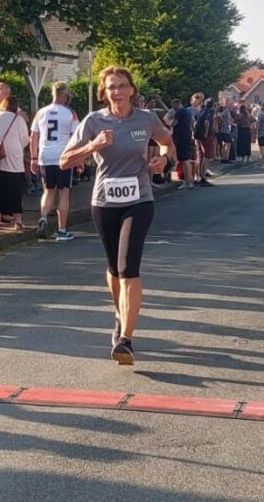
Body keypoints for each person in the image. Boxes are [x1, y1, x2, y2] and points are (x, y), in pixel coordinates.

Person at [60, 65, 173, 365]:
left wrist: (162, 161)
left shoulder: (146, 119)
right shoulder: (93, 121)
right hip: (104, 202)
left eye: (122, 86)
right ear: (104, 92)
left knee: (128, 268)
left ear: (132, 90)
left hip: (140, 199)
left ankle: (126, 339)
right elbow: (64, 161)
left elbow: (167, 142)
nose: (118, 92)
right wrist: (92, 146)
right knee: (113, 269)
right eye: (112, 87)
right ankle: (119, 315)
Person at [31, 81, 79, 241]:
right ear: (65, 96)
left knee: (48, 190)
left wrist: (33, 158)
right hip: (63, 156)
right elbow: (76, 138)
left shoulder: (41, 112)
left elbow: (34, 136)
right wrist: (79, 158)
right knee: (64, 192)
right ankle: (62, 229)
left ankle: (44, 217)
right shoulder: (70, 113)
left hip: (45, 156)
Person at [0, 94, 29, 231]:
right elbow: (25, 140)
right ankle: (18, 221)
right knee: (15, 192)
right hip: (15, 159)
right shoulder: (18, 120)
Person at [169, 99, 196, 188]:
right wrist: (192, 130)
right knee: (186, 159)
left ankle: (188, 182)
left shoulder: (179, 112)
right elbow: (192, 121)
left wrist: (169, 122)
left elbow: (173, 123)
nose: (173, 108)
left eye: (173, 106)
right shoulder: (188, 111)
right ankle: (188, 180)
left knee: (184, 160)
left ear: (177, 104)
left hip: (180, 137)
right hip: (187, 135)